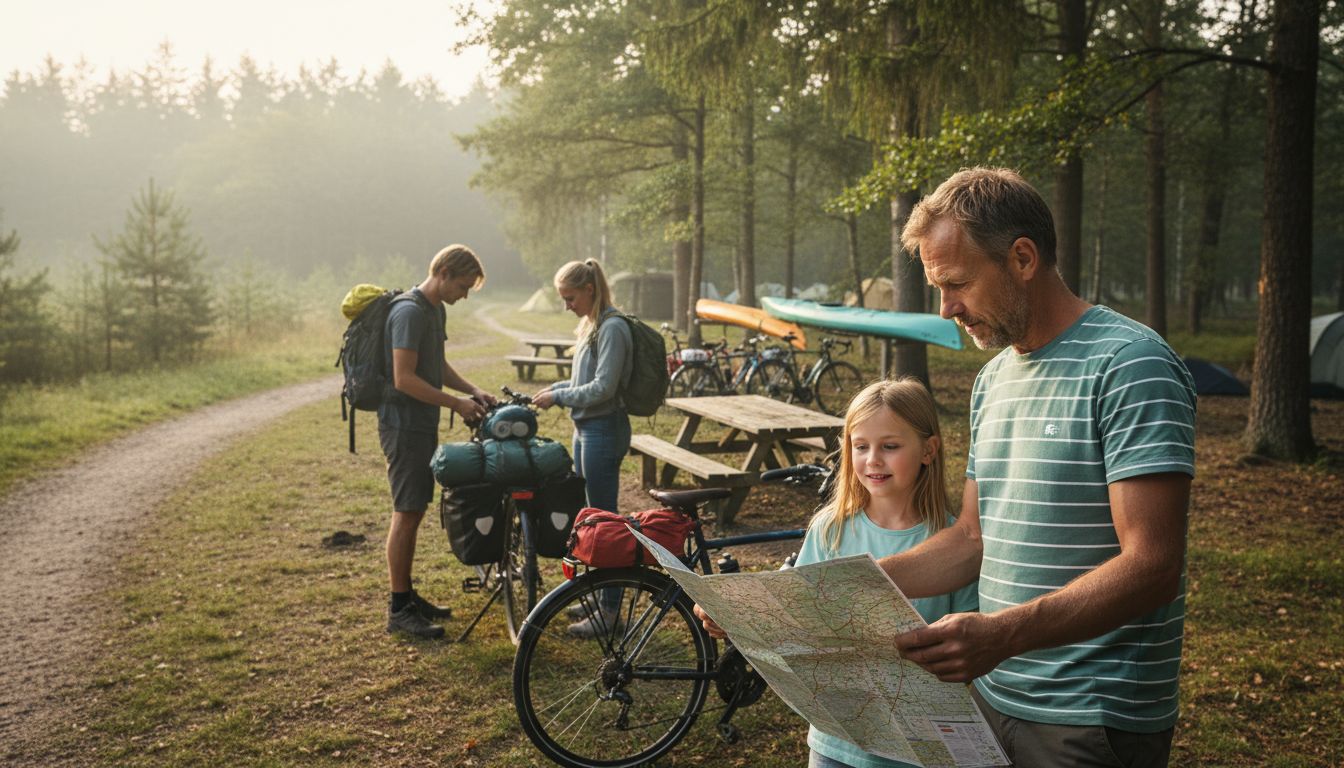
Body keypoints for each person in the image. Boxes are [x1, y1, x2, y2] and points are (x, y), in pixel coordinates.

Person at [883, 167, 1197, 767]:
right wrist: (848, 582)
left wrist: (1002, 634)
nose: (947, 308)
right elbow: (973, 537)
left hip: (1089, 722)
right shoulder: (992, 379)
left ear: (1023, 258)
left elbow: (1153, 566)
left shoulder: (1130, 364)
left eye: (957, 283)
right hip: (992, 699)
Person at [693, 377, 978, 768]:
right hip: (835, 744)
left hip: (918, 748)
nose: (872, 460)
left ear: (929, 450)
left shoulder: (953, 543)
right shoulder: (830, 529)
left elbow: (969, 648)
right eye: (860, 446)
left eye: (890, 446)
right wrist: (735, 617)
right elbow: (795, 617)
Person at [381, 244, 496, 640]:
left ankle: (407, 595)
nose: (464, 296)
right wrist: (456, 404)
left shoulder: (434, 310)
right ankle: (399, 609)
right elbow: (404, 378)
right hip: (402, 425)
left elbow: (437, 365)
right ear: (443, 272)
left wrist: (473, 391)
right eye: (463, 286)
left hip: (420, 423)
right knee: (407, 511)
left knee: (414, 509)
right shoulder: (409, 312)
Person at [532, 259, 633, 638]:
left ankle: (610, 612)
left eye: (570, 297)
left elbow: (604, 388)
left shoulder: (613, 327)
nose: (566, 305)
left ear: (589, 289)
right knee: (591, 518)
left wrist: (559, 396)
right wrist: (555, 389)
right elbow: (584, 381)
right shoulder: (592, 324)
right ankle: (597, 595)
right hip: (586, 429)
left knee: (606, 524)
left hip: (603, 430)